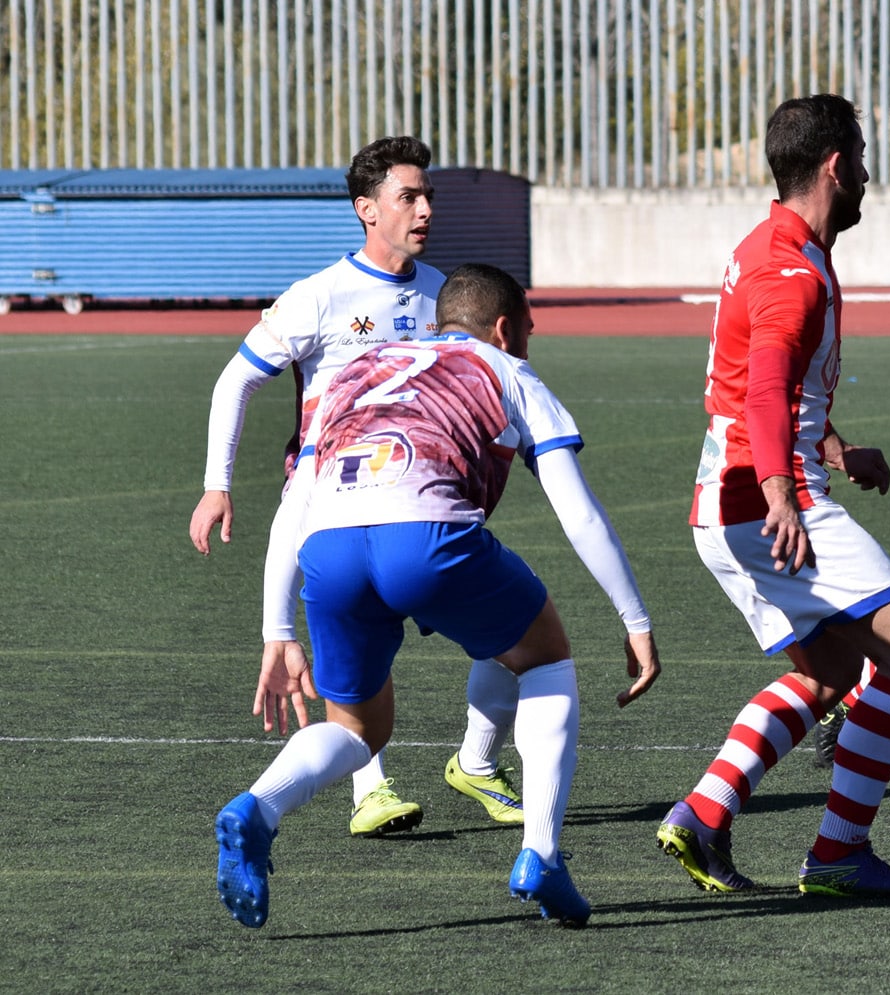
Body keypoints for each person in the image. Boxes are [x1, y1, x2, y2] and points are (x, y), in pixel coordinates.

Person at [214, 262, 662, 930]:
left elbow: (295, 505)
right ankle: (540, 850)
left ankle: (258, 805)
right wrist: (635, 616)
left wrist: (276, 628)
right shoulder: (508, 370)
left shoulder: (354, 374)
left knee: (357, 727)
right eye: (529, 332)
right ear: (506, 328)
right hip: (425, 537)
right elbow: (579, 513)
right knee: (543, 655)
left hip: (329, 550)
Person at [188, 136, 526, 837]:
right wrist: (216, 485)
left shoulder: (443, 296)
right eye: (410, 195)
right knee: (366, 658)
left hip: (424, 501)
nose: (425, 207)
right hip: (330, 501)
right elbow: (236, 379)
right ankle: (369, 789)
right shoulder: (320, 296)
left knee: (512, 640)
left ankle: (477, 760)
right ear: (367, 209)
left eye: (428, 194)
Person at [655, 94, 890, 899]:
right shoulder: (791, 269)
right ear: (833, 165)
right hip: (763, 503)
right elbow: (762, 392)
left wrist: (833, 446)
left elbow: (763, 391)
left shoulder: (774, 247)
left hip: (735, 498)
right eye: (859, 155)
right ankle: (839, 852)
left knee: (829, 669)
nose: (866, 172)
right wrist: (786, 494)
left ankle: (702, 814)